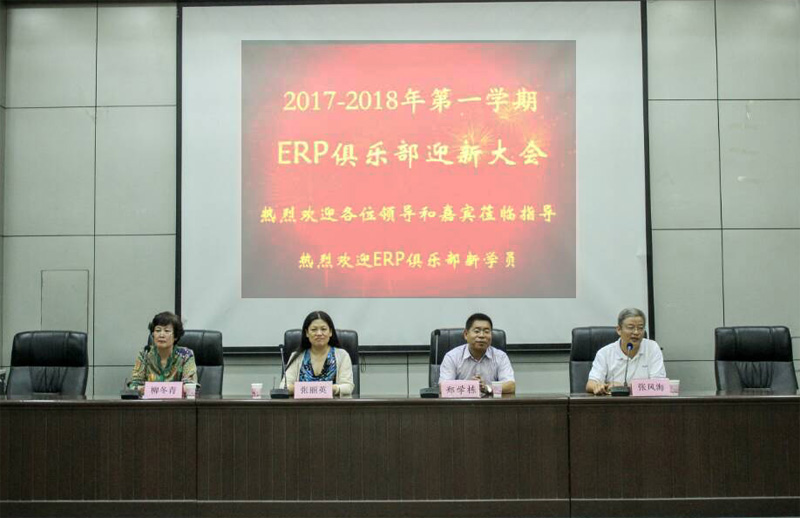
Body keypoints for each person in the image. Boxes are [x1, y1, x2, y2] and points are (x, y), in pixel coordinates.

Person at [586, 307, 666, 395]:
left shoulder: (652, 348)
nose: (636, 332)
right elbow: (591, 384)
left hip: (645, 401)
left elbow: (659, 384)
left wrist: (625, 388)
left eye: (640, 328)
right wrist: (604, 386)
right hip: (615, 401)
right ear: (619, 330)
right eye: (631, 327)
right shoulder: (605, 353)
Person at [438, 313, 516, 395]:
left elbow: (511, 386)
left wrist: (487, 388)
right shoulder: (452, 356)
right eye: (477, 331)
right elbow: (443, 387)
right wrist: (471, 387)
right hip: (461, 402)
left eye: (486, 332)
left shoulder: (500, 356)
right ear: (466, 334)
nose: (481, 335)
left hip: (490, 402)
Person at [283, 311, 354, 396]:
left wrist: (330, 389)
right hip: (302, 404)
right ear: (307, 333)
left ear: (330, 332)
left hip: (333, 403)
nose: (319, 333)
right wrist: (314, 389)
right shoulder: (297, 356)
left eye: (323, 329)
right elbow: (283, 386)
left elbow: (348, 387)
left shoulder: (342, 355)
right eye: (314, 330)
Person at [128, 311, 198, 393]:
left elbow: (190, 386)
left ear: (175, 336)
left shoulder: (186, 355)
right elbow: (134, 385)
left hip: (177, 401)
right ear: (153, 334)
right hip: (149, 401)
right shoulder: (145, 354)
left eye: (167, 331)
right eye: (158, 330)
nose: (161, 335)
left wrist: (153, 390)